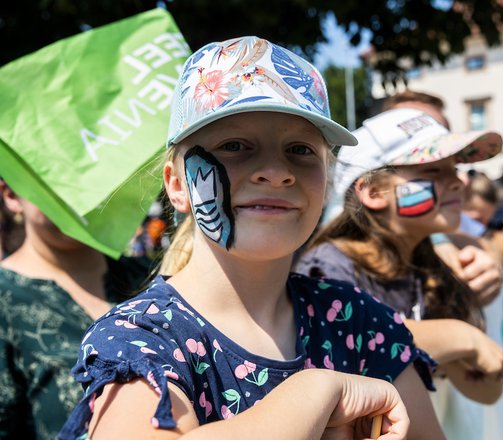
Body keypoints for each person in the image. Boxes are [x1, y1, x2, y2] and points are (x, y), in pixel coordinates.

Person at [60, 37, 443, 439]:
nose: (276, 172)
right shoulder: (138, 338)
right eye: (235, 146)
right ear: (177, 186)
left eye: (300, 149)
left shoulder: (358, 320)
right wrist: (318, 389)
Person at [295, 108, 503, 405]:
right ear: (373, 192)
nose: (459, 181)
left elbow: (486, 391)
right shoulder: (327, 269)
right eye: (434, 170)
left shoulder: (430, 269)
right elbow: (346, 344)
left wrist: (461, 343)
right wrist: (460, 337)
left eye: (454, 168)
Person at [0, 180, 152, 439]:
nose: (73, 195)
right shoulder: (6, 298)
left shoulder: (151, 277)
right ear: (12, 194)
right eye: (53, 180)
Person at [383, 90, 503, 306]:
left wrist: (487, 261)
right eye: (431, 169)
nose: (459, 182)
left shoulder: (446, 212)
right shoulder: (336, 261)